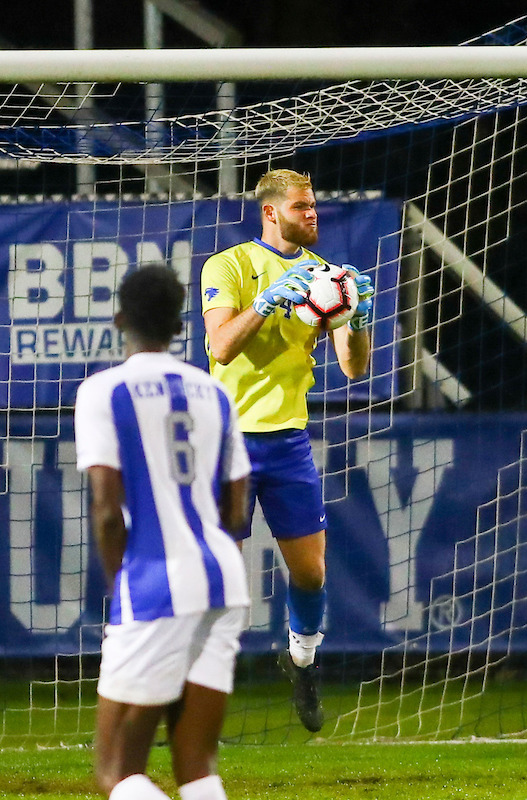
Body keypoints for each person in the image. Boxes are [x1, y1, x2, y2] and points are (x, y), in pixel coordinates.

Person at [200, 168, 374, 732]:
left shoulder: (327, 276)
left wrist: (354, 318)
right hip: (227, 442)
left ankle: (303, 660)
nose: (313, 214)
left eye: (315, 206)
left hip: (288, 441)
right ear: (271, 212)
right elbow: (222, 347)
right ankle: (191, 691)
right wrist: (268, 303)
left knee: (311, 572)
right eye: (302, 207)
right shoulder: (229, 265)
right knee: (218, 576)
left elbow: (353, 367)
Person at [76, 265, 252, 800]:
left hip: (154, 584)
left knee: (116, 770)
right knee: (196, 764)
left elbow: (108, 511)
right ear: (180, 326)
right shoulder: (213, 393)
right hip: (223, 580)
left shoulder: (103, 391)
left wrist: (122, 586)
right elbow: (237, 504)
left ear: (119, 319)